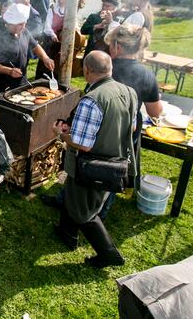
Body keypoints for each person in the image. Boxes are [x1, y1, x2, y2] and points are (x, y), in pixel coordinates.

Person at [52, 51, 137, 268]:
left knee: (85, 212)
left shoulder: (92, 99)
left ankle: (109, 254)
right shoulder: (128, 91)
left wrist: (60, 134)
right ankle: (66, 233)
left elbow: (84, 144)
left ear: (87, 70)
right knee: (74, 197)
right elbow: (132, 126)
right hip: (116, 160)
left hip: (94, 166)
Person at [105, 24, 162, 190]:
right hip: (127, 130)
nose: (109, 47)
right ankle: (105, 204)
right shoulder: (147, 75)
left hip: (100, 126)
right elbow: (155, 112)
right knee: (116, 165)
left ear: (118, 47)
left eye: (111, 44)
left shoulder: (104, 67)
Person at [0, 3, 54, 93]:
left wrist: (45, 58)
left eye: (24, 23)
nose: (23, 26)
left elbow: (35, 46)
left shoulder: (24, 31)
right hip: (2, 84)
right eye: (20, 24)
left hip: (22, 81)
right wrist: (9, 71)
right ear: (10, 23)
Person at [37, 0, 67, 79]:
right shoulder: (52, 9)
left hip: (61, 40)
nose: (61, 1)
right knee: (46, 59)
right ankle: (42, 78)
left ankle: (56, 78)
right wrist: (53, 34)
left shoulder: (69, 11)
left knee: (59, 61)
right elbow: (47, 26)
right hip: (50, 40)